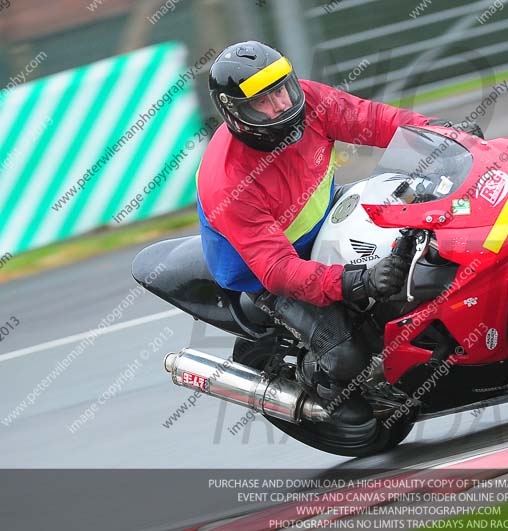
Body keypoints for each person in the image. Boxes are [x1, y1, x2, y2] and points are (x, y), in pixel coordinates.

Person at [196, 41, 481, 425]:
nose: (281, 104)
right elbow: (278, 269)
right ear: (236, 114)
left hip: (324, 213)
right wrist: (359, 280)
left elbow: (373, 120)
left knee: (425, 235)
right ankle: (324, 389)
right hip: (264, 268)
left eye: (282, 89)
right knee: (347, 355)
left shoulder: (308, 102)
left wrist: (441, 135)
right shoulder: (230, 182)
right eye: (263, 102)